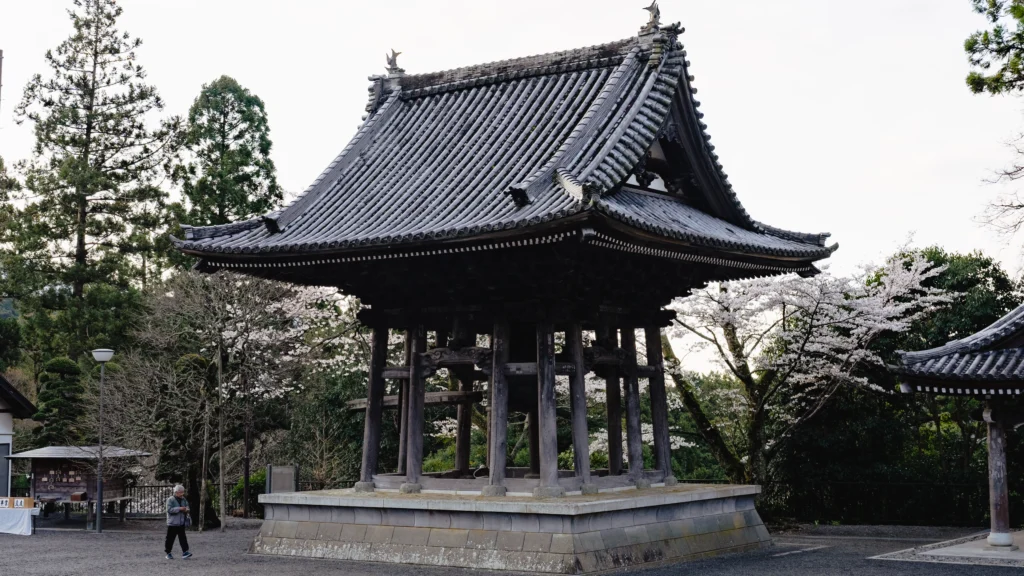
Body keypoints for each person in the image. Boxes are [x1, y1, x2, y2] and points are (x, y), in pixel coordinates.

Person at [165, 485, 193, 560]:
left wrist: (186, 509)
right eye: (180, 492)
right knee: (170, 539)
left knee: (183, 538)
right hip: (172, 523)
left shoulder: (184, 499)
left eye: (183, 492)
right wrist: (179, 509)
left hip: (181, 522)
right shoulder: (170, 499)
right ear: (176, 492)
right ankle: (168, 553)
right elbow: (169, 510)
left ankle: (185, 552)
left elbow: (187, 507)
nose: (182, 494)